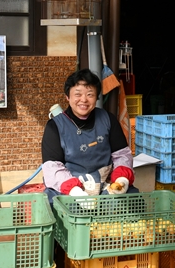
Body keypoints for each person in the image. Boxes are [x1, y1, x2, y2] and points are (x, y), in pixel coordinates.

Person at [42, 69, 136, 201]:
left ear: (97, 97)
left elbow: (122, 154)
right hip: (69, 190)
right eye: (78, 94)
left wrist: (121, 179)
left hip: (106, 187)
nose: (84, 100)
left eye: (90, 94)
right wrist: (75, 191)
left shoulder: (108, 119)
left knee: (132, 200)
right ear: (67, 97)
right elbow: (52, 167)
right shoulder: (54, 126)